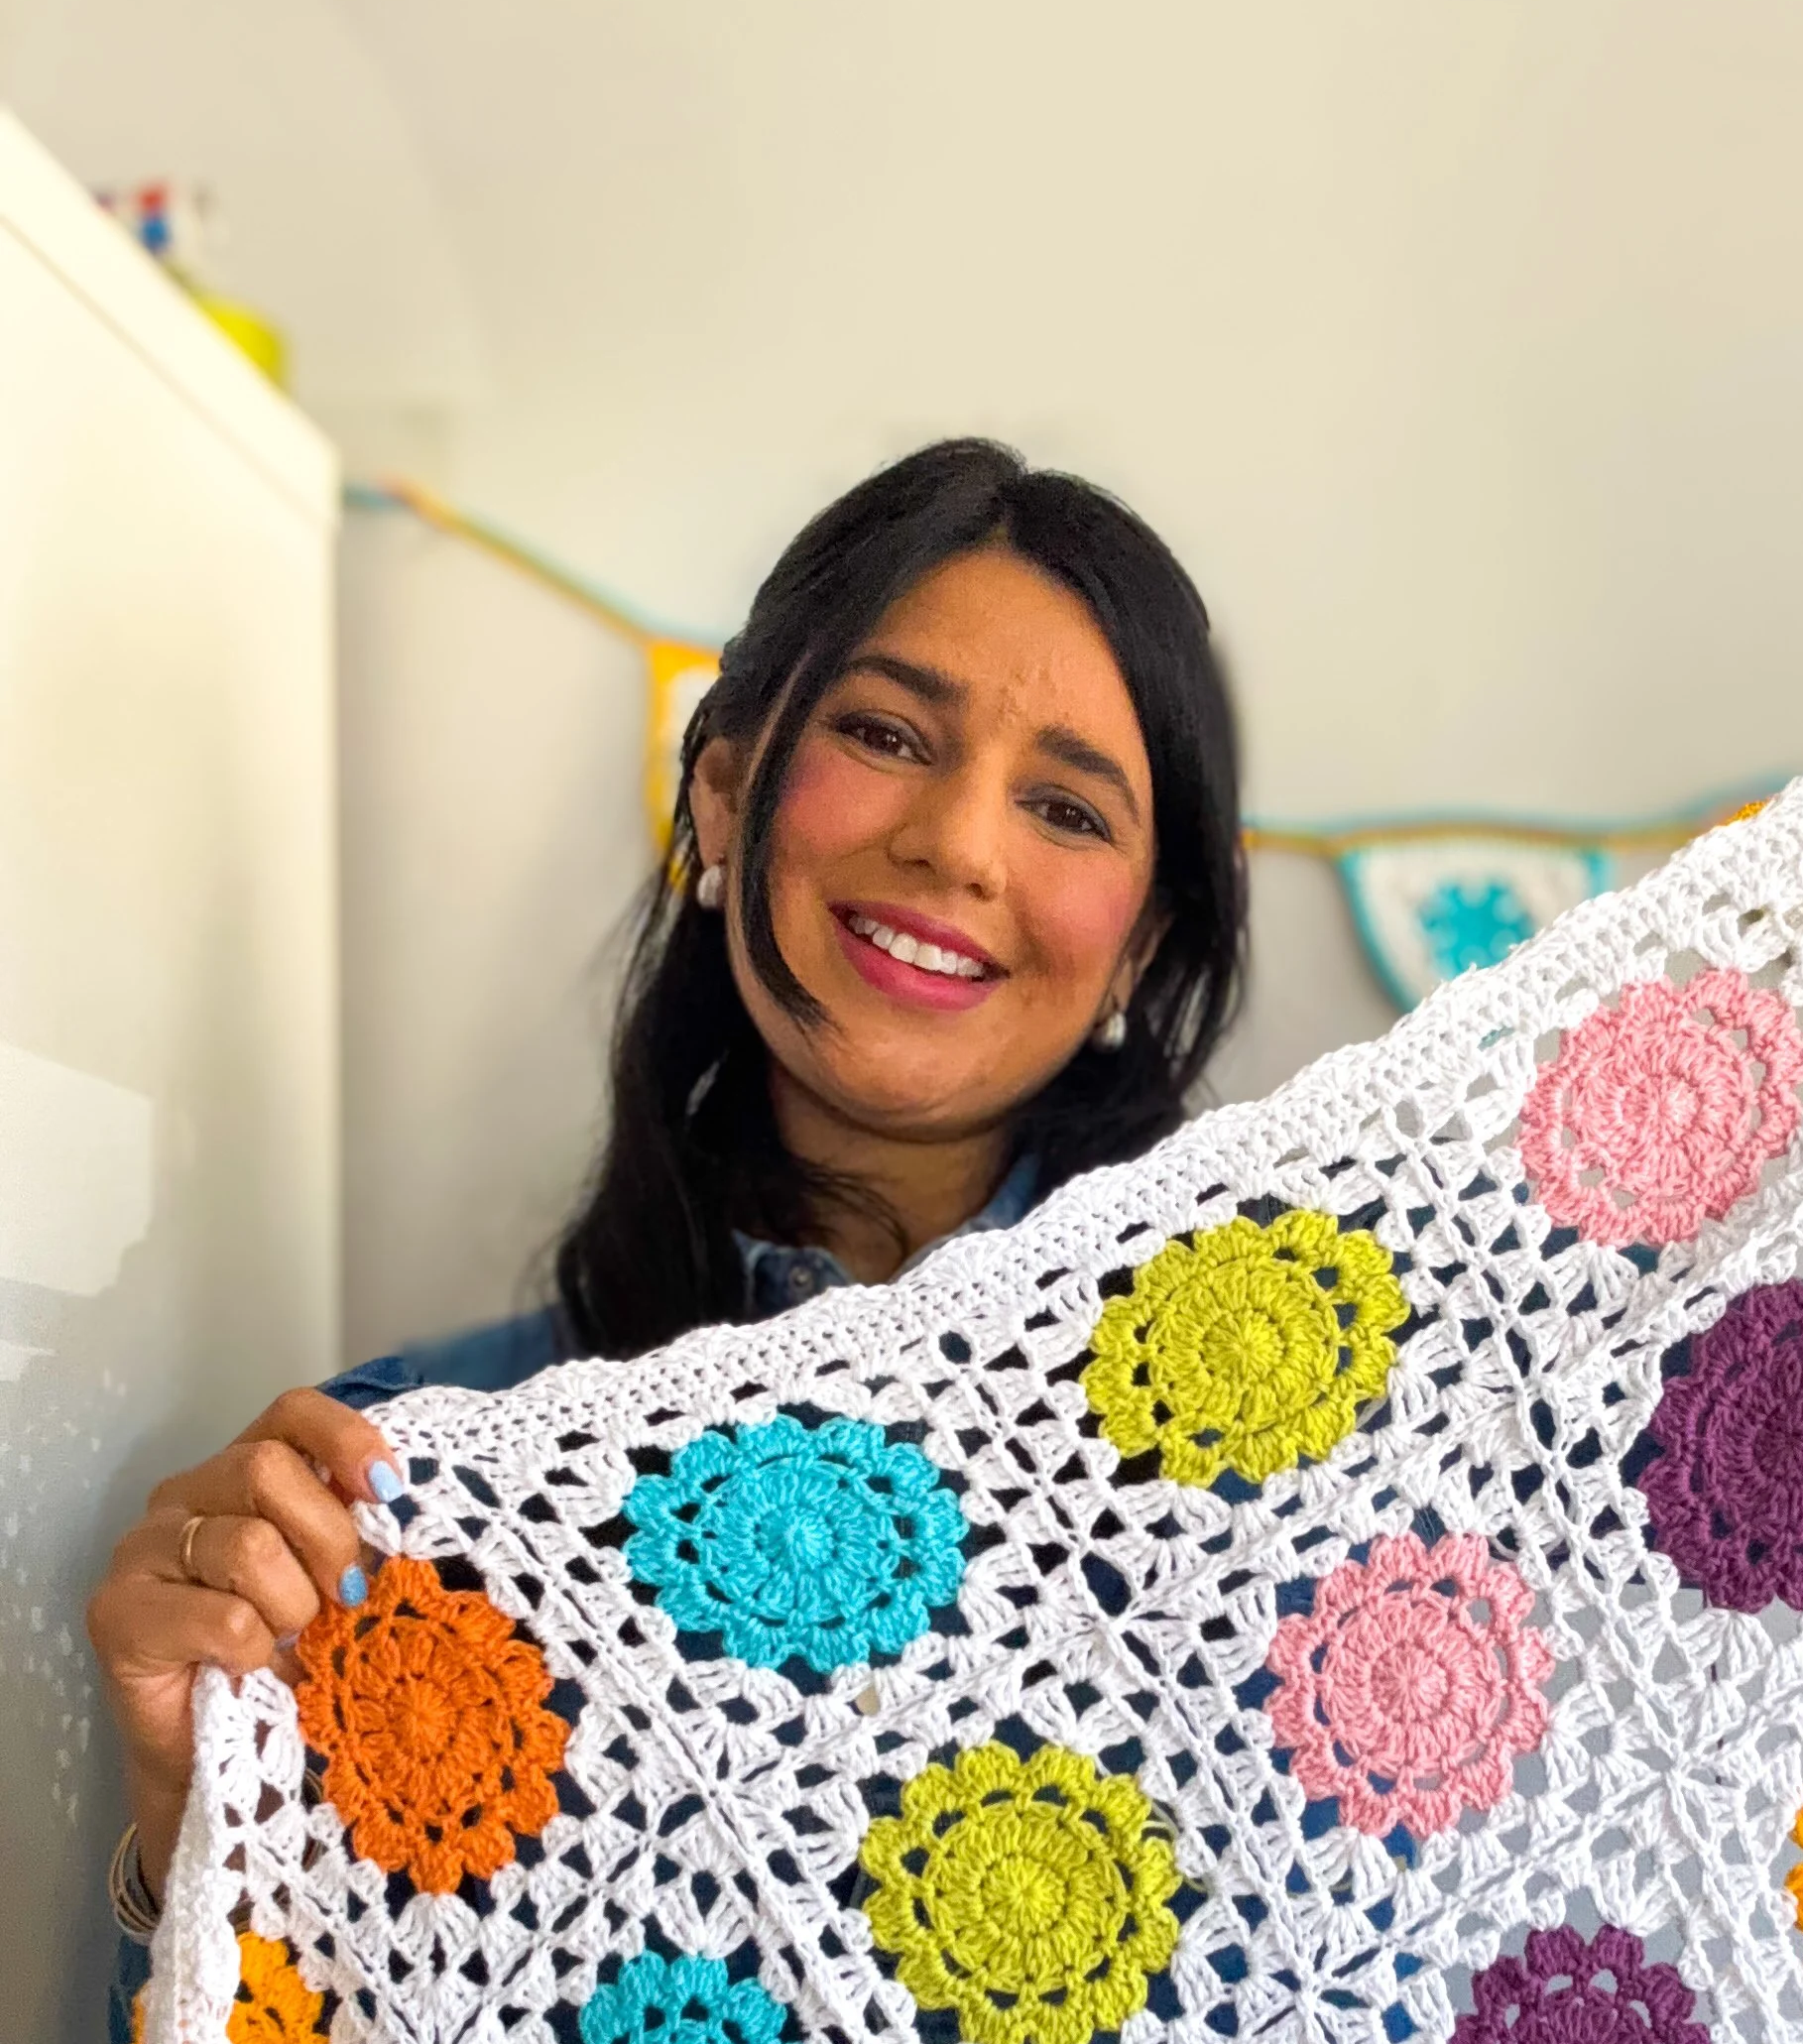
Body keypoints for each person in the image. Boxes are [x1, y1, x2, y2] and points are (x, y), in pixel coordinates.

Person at [85, 438, 1246, 1963]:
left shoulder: (1284, 1484)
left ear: (1147, 939)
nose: (958, 843)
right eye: (890, 734)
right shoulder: (391, 1491)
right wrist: (192, 1822)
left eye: (1070, 812)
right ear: (721, 783)